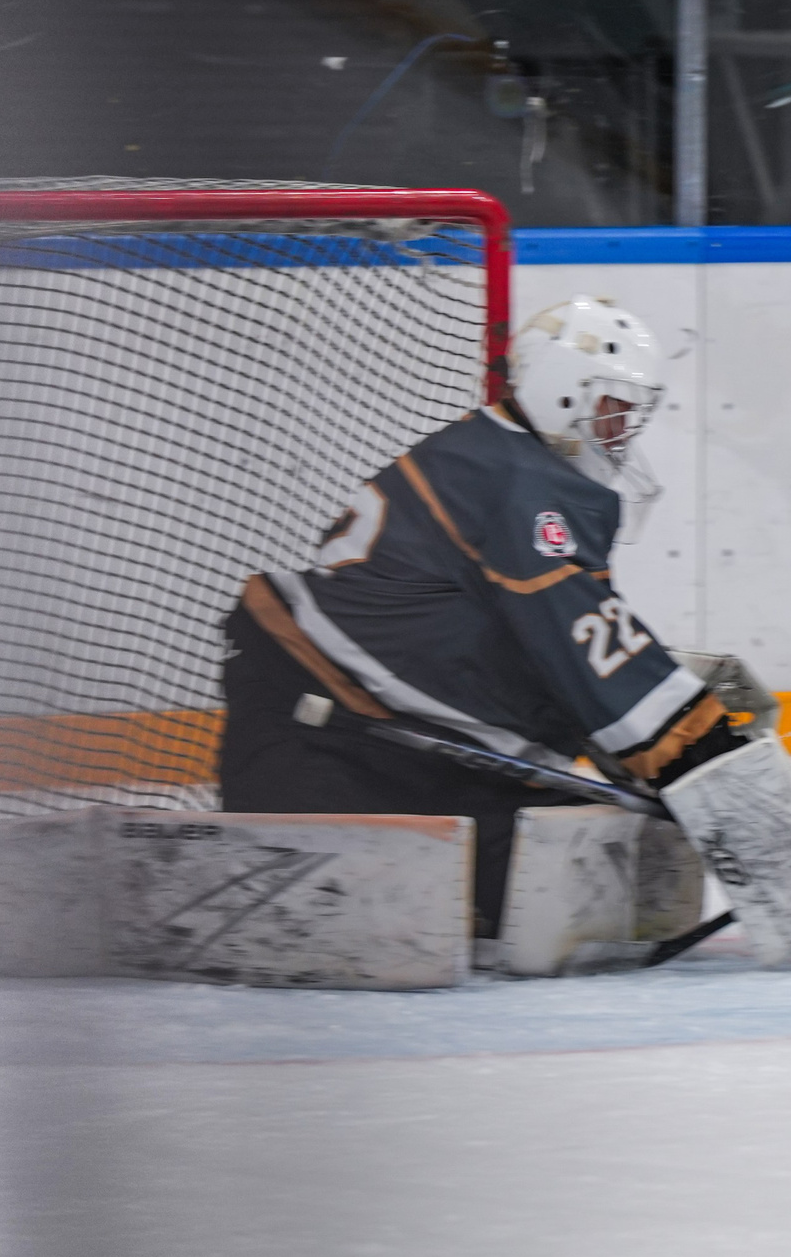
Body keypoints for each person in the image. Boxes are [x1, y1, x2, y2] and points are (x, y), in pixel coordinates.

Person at [218, 295, 744, 935]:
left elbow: (540, 646)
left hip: (374, 732)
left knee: (597, 869)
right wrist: (704, 752)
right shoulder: (523, 484)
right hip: (322, 736)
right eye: (614, 408)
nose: (621, 432)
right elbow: (582, 638)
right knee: (559, 890)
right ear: (564, 392)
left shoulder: (498, 455)